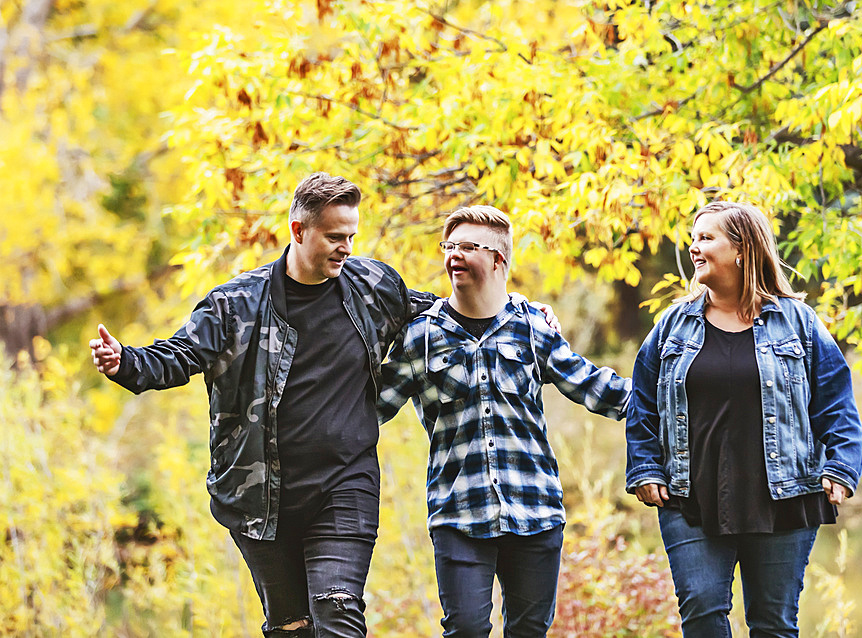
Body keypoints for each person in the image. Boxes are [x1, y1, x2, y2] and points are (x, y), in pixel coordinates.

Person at [89, 174, 563, 638]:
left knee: (338, 613)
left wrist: (517, 307)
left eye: (352, 235)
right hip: (259, 496)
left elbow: (448, 312)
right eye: (335, 236)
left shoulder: (372, 286)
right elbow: (181, 354)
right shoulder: (236, 304)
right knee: (290, 627)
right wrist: (124, 362)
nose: (347, 247)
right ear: (299, 231)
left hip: (345, 484)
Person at [377, 205, 631, 637]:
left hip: (535, 512)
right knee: (467, 629)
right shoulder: (421, 337)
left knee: (530, 630)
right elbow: (367, 410)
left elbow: (593, 386)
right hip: (458, 514)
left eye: (468, 247)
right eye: (449, 246)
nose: (454, 255)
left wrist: (676, 398)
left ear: (498, 260)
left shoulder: (531, 326)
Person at [624, 201, 862, 637]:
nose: (694, 248)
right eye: (693, 238)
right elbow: (642, 403)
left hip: (783, 494)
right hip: (689, 496)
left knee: (773, 624)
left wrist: (842, 467)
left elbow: (836, 400)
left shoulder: (797, 323)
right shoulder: (673, 326)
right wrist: (644, 466)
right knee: (701, 613)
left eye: (706, 238)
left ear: (741, 249)